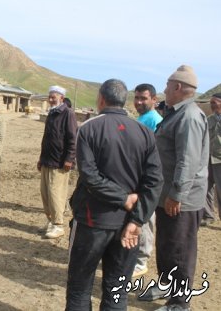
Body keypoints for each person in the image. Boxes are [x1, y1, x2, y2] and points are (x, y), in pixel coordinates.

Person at [66, 79, 163, 310]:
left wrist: (126, 203)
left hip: (92, 222)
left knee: (80, 286)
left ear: (101, 98)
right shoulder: (144, 132)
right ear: (125, 100)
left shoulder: (89, 128)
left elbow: (90, 177)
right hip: (128, 225)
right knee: (116, 290)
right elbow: (155, 181)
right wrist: (137, 219)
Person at [140, 65, 208, 311]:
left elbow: (187, 161)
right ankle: (166, 284)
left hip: (182, 199)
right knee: (166, 245)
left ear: (178, 87)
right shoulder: (175, 113)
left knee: (180, 249)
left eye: (167, 86)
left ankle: (180, 302)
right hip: (167, 194)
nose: (165, 90)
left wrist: (176, 194)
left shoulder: (189, 116)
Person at [37, 85, 77, 239]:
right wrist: (41, 158)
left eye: (53, 96)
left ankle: (58, 224)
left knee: (56, 194)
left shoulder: (68, 113)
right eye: (50, 96)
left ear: (61, 97)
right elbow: (46, 139)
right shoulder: (52, 113)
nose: (50, 99)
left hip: (60, 162)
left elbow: (72, 138)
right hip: (47, 160)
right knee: (45, 193)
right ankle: (51, 221)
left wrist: (69, 159)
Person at [132, 83, 163, 278]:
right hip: (136, 176)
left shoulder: (154, 120)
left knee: (146, 217)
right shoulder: (142, 118)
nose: (139, 102)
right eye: (136, 98)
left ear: (154, 100)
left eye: (143, 98)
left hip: (146, 178)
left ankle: (142, 260)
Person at [201, 93, 221, 226]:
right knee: (205, 188)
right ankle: (208, 216)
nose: (212, 105)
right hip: (208, 158)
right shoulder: (209, 119)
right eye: (211, 103)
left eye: (214, 102)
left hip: (220, 160)